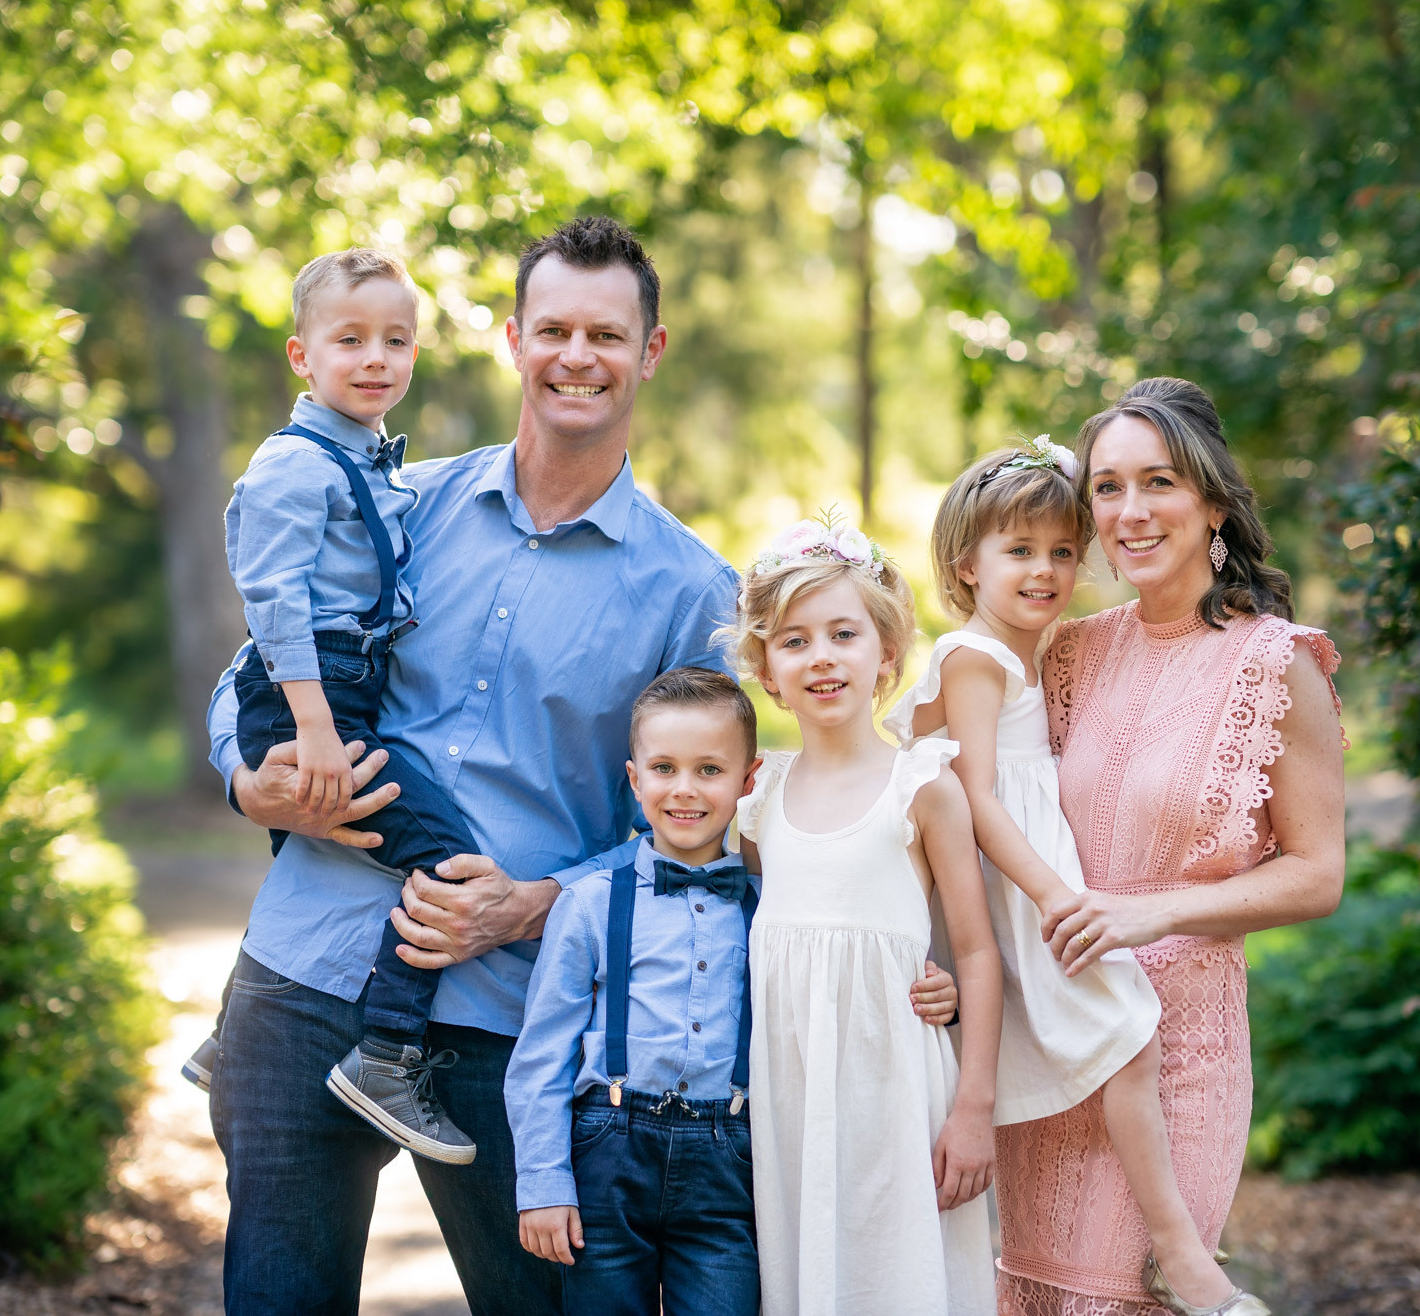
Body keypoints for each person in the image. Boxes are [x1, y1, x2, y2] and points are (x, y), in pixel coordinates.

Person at [200, 217, 957, 1316]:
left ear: (648, 352)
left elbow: (696, 826)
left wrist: (530, 905)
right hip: (301, 976)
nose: (575, 355)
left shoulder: (691, 593)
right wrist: (245, 778)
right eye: (551, 328)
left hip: (510, 1023)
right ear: (513, 339)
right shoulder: (403, 507)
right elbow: (255, 669)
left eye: (605, 334)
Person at [885, 434, 1268, 1315]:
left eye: (1064, 552)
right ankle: (1179, 1251)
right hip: (1020, 892)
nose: (1046, 570)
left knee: (1118, 1043)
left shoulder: (1036, 653)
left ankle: (1168, 1246)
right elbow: (977, 796)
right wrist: (1056, 894)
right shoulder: (972, 657)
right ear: (964, 564)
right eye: (1019, 551)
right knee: (1129, 1029)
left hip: (1029, 885)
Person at [994, 377, 1345, 1316]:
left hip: (1180, 1049)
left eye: (1158, 483)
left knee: (1132, 1293)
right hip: (1061, 1033)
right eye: (1107, 487)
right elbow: (991, 811)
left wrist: (1155, 910)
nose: (1130, 511)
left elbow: (1318, 875)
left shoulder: (1280, 661)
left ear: (1215, 503)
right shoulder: (1065, 651)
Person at [187, 246, 477, 1166]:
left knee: (311, 862)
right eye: (349, 339)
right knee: (445, 860)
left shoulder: (380, 466)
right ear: (301, 355)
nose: (376, 358)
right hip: (313, 697)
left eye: (396, 339)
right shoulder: (292, 466)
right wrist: (315, 727)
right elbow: (270, 601)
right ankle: (389, 1053)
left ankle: (230, 1039)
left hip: (342, 689)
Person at [732, 516, 1003, 1316]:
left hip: (896, 1093)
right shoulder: (759, 802)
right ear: (766, 670)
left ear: (885, 653)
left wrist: (974, 1107)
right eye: (793, 641)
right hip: (793, 1097)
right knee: (810, 1273)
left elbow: (977, 950)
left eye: (843, 634)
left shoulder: (922, 787)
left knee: (902, 1277)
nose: (821, 656)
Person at [503, 668, 762, 1315]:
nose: (684, 788)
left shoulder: (769, 910)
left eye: (710, 770)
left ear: (748, 781)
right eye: (665, 767)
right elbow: (542, 1053)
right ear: (635, 777)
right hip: (607, 1153)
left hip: (729, 1158)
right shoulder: (590, 903)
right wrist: (541, 1180)